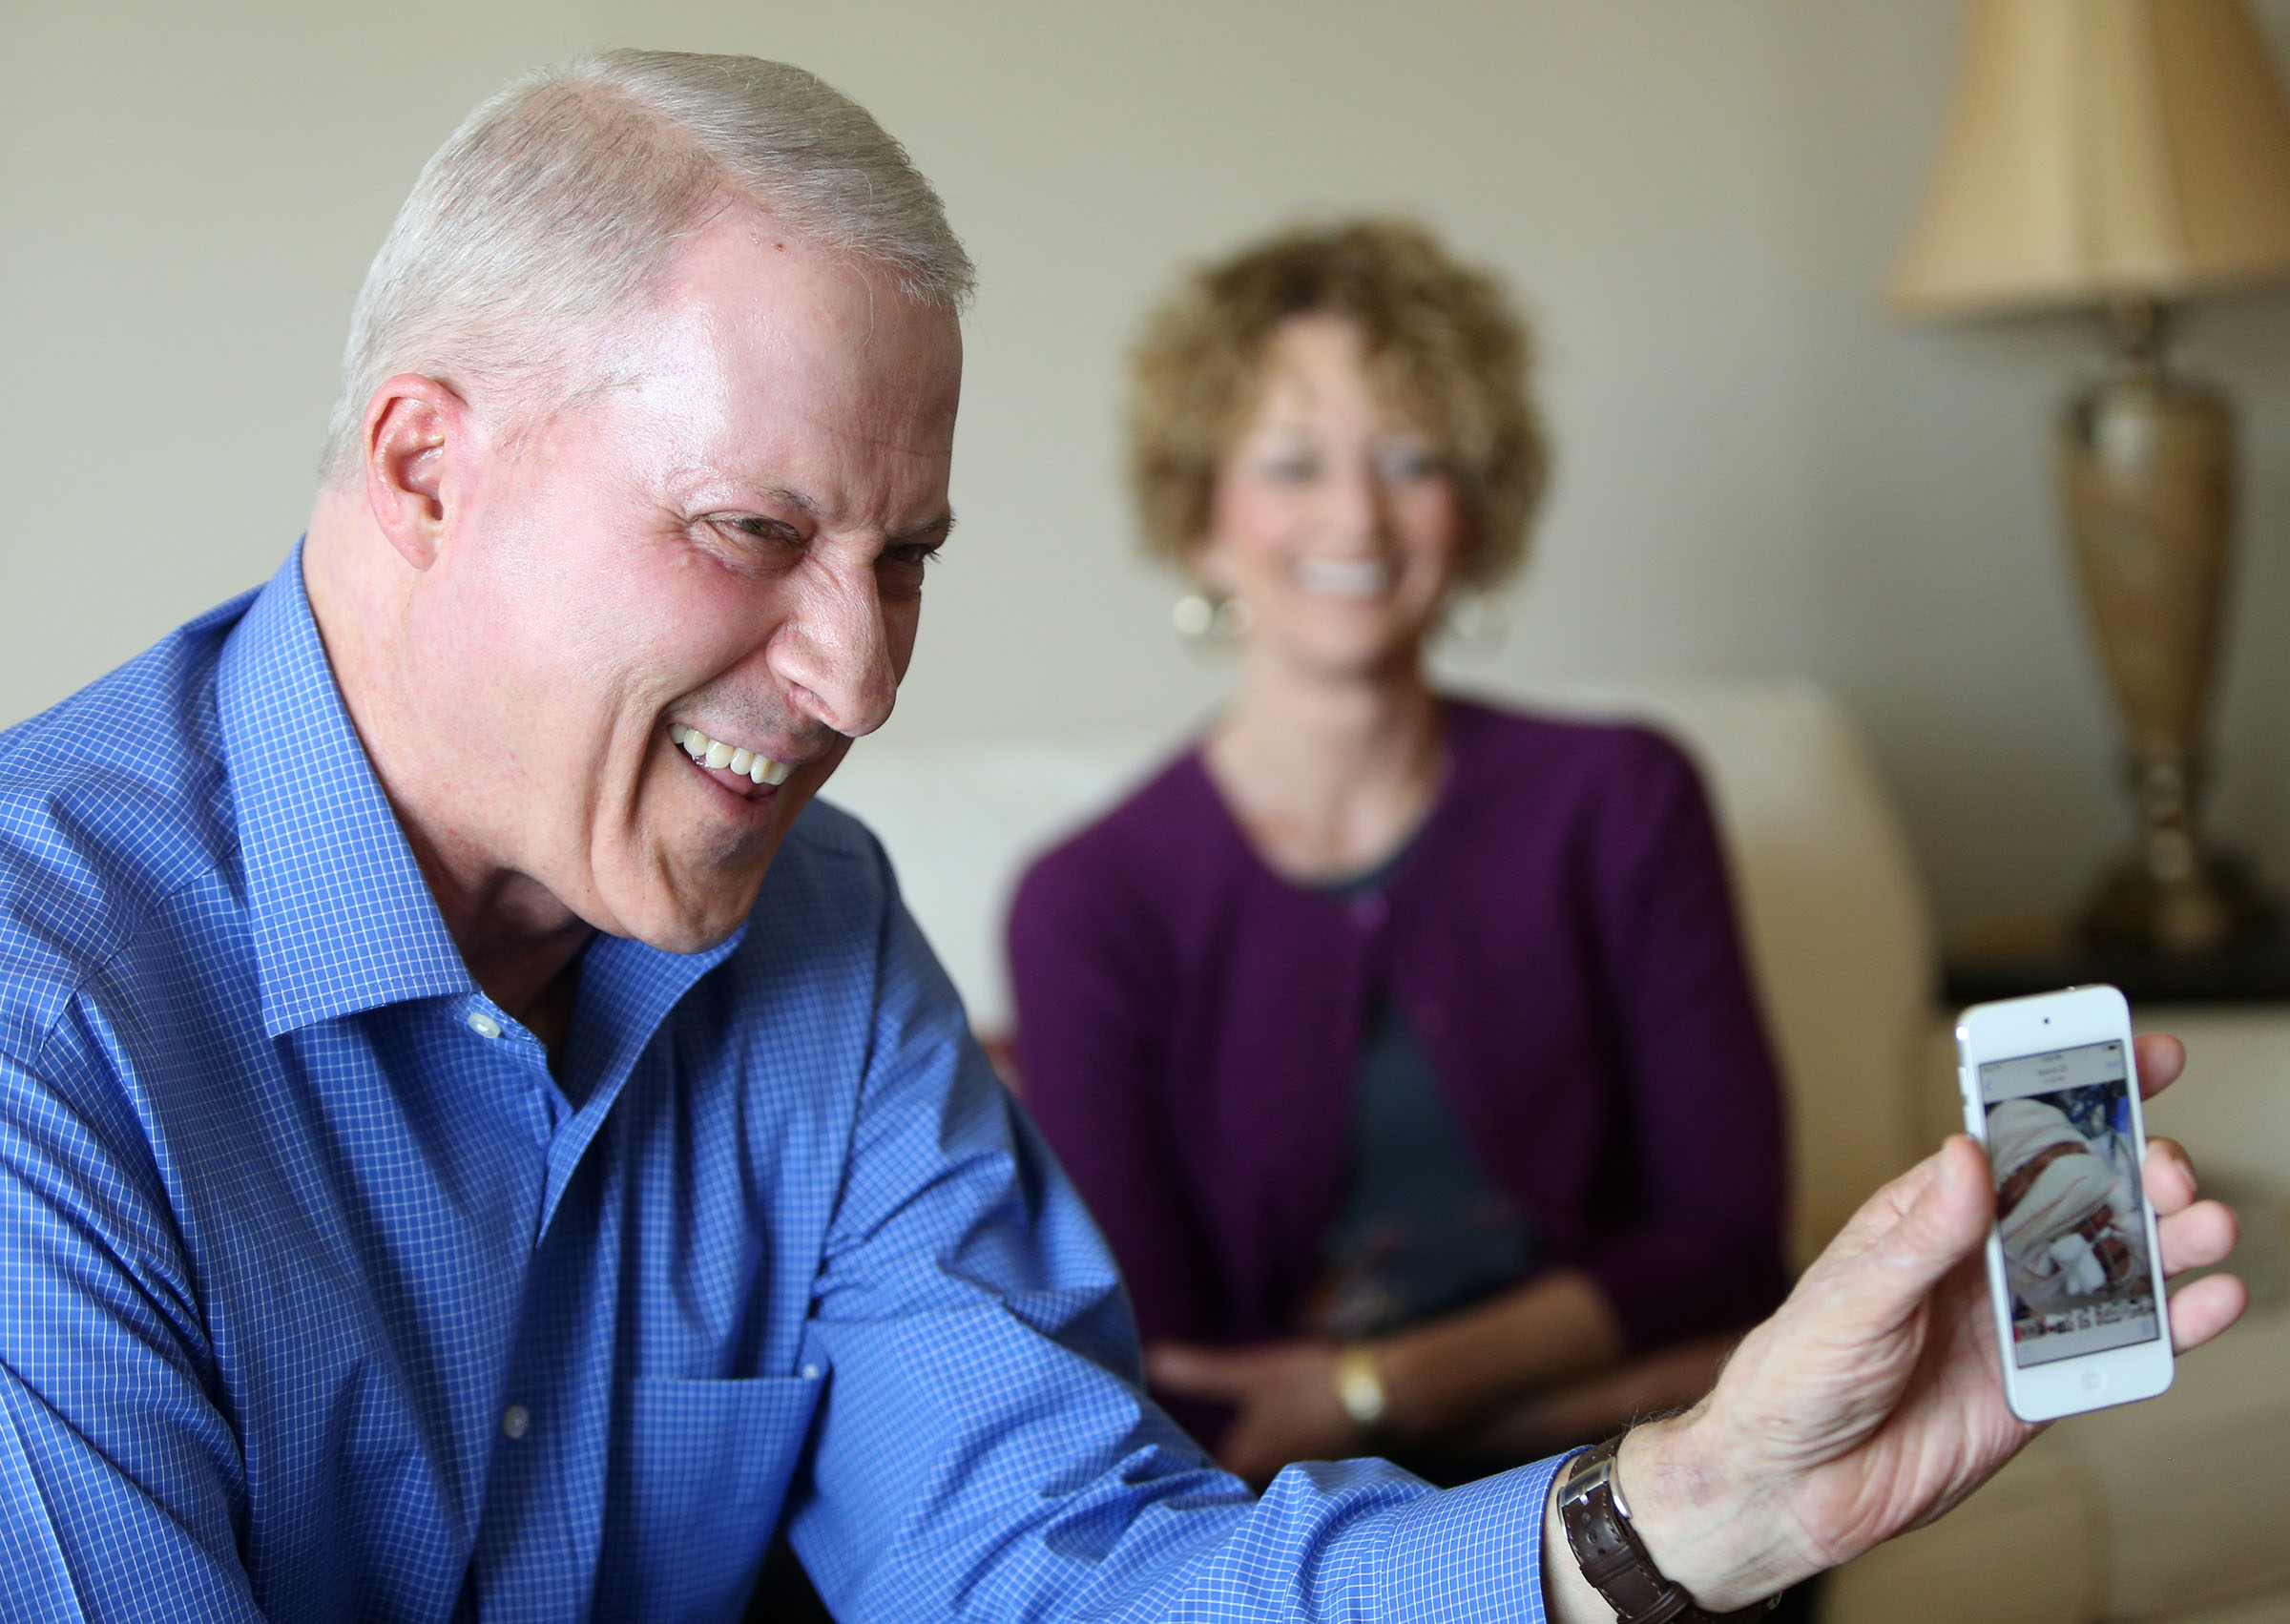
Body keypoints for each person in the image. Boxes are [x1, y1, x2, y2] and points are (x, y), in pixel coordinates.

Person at [0, 49, 2242, 1622]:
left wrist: (1677, 1510)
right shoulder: (47, 1010)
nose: (861, 685)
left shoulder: (822, 939)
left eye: (908, 560)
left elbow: (1058, 1565)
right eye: (754, 531)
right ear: (420, 467)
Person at [1009, 220, 1787, 1485]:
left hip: (1667, 1495)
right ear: (1201, 518)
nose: (1356, 512)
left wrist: (1377, 1394)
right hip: (1335, 1545)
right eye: (1292, 461)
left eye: (1411, 457)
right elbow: (1183, 1385)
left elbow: (1723, 1247)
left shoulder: (1625, 799)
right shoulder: (1091, 904)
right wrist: (1622, 1398)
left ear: (1472, 508)